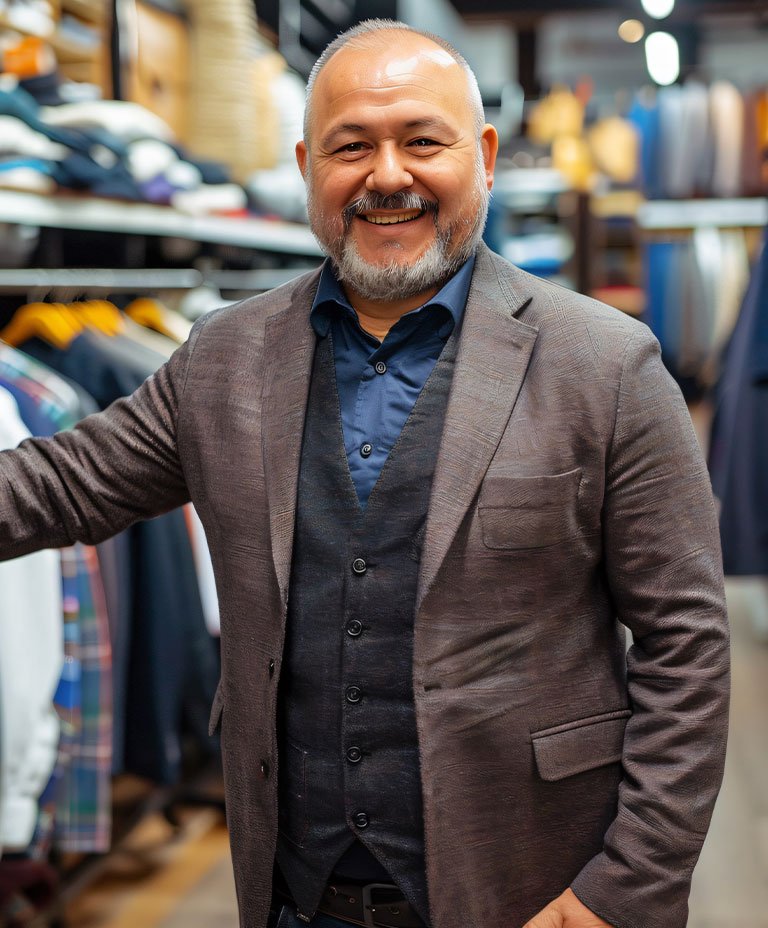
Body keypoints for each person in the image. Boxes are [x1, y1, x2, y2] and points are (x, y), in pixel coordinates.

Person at [0, 18, 729, 928]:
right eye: (351, 147)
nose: (387, 175)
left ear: (483, 157)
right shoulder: (224, 356)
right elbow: (57, 486)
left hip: (532, 890)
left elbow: (686, 646)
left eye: (422, 141)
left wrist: (621, 893)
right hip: (298, 896)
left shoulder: (606, 365)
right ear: (308, 166)